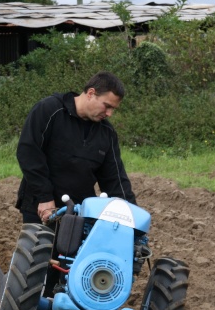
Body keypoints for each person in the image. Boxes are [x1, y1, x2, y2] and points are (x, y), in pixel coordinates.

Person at [15, 71, 136, 224]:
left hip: (78, 214)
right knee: (39, 248)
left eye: (113, 109)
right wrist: (44, 197)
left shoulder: (106, 132)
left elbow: (115, 179)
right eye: (107, 106)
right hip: (40, 207)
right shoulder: (50, 110)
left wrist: (131, 216)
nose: (109, 113)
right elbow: (28, 152)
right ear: (91, 93)